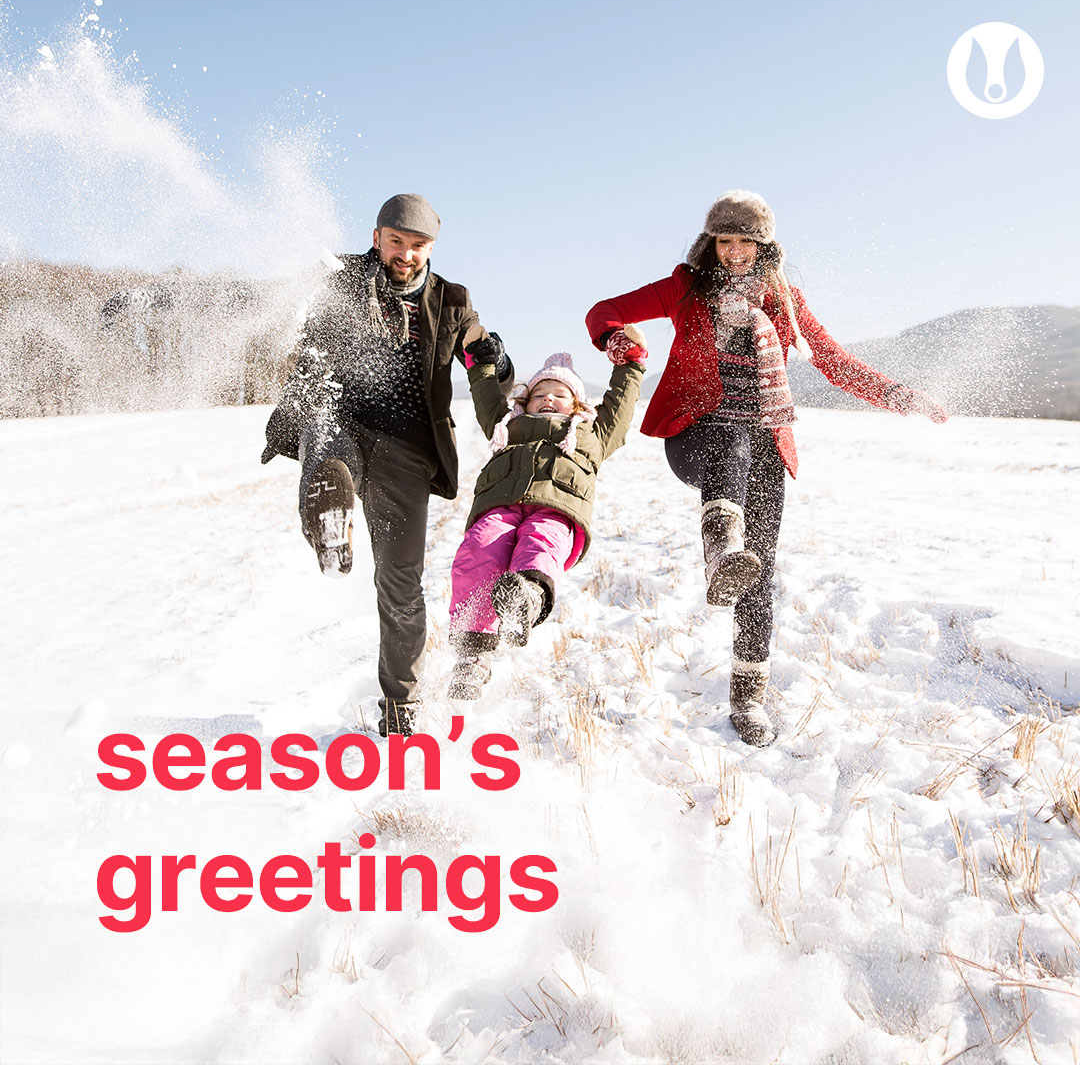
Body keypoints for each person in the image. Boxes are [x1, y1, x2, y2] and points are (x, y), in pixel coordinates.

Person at [585, 190, 947, 747]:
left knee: (760, 570)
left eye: (746, 242)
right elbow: (604, 311)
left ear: (765, 246)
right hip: (696, 434)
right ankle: (720, 549)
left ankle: (748, 696)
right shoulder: (685, 287)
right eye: (724, 241)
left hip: (765, 444)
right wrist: (619, 344)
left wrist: (901, 397)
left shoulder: (785, 301)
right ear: (710, 244)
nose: (734, 251)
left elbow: (833, 361)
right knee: (733, 437)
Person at [260, 194, 514, 737]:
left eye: (418, 245)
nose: (406, 254)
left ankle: (401, 710)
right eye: (396, 241)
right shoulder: (341, 279)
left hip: (408, 449)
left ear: (431, 248)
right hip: (343, 418)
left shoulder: (452, 302)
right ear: (376, 238)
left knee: (400, 583)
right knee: (325, 438)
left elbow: (483, 365)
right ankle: (328, 521)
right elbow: (270, 303)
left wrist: (498, 365)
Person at [446, 336, 647, 699]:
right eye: (539, 394)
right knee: (479, 549)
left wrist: (631, 363)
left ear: (577, 404)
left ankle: (526, 599)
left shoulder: (591, 433)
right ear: (525, 401)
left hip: (555, 510)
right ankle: (472, 654)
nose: (548, 399)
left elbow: (619, 405)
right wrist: (480, 364)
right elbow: (486, 398)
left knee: (540, 543)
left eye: (559, 394)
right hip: (501, 506)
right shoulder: (508, 425)